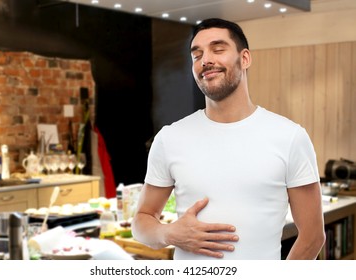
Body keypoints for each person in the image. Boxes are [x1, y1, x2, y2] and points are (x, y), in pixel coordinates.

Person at [131, 18, 325, 260]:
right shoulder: (170, 138)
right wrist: (169, 233)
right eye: (197, 54)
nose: (206, 60)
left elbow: (313, 236)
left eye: (218, 49)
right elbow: (141, 223)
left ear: (244, 59)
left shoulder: (290, 137)